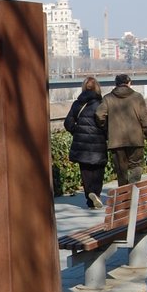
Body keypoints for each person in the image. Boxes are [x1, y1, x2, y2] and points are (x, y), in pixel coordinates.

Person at [94, 73, 147, 186]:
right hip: (135, 139)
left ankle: (124, 195)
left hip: (116, 141)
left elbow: (99, 114)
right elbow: (145, 120)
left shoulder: (108, 98)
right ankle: (133, 190)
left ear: (116, 84)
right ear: (129, 83)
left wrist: (106, 127)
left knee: (121, 170)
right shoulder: (137, 97)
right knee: (136, 166)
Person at [63, 76, 108, 209]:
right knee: (98, 171)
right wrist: (105, 135)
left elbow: (68, 123)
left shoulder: (78, 104)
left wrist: (77, 132)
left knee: (86, 172)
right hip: (98, 142)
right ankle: (97, 194)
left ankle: (90, 197)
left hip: (82, 144)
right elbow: (106, 124)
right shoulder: (101, 104)